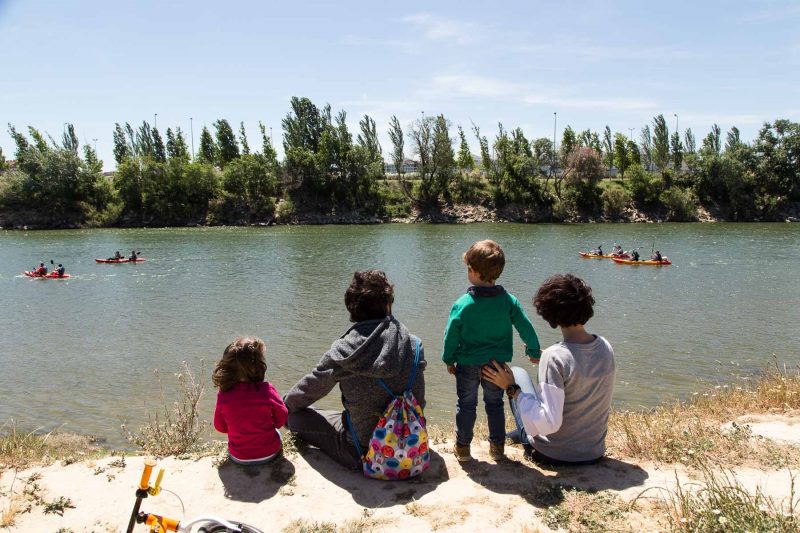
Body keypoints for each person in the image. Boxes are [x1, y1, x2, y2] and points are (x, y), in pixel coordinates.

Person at [283, 270, 425, 470]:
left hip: (361, 452)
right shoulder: (413, 344)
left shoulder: (343, 351)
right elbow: (421, 400)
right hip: (411, 447)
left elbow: (307, 392)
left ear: (351, 308)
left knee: (292, 415)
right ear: (388, 303)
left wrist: (282, 405)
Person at [482, 274, 616, 466]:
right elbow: (579, 370)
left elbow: (548, 423)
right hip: (593, 452)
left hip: (552, 453)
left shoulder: (554, 357)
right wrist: (549, 358)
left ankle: (520, 434)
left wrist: (511, 388)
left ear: (549, 316)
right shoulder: (604, 346)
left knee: (518, 373)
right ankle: (515, 433)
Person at [442, 240, 540, 462]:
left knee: (466, 405)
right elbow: (525, 326)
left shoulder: (463, 304)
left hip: (467, 364)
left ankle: (463, 448)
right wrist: (533, 350)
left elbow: (451, 336)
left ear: (474, 272)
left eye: (468, 268)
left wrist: (449, 359)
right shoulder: (508, 301)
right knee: (495, 404)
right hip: (496, 367)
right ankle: (497, 447)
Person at [213, 337, 288, 465]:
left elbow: (219, 427)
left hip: (239, 457)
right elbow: (283, 415)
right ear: (259, 365)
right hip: (270, 453)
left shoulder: (224, 395)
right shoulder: (267, 389)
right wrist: (270, 425)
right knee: (277, 433)